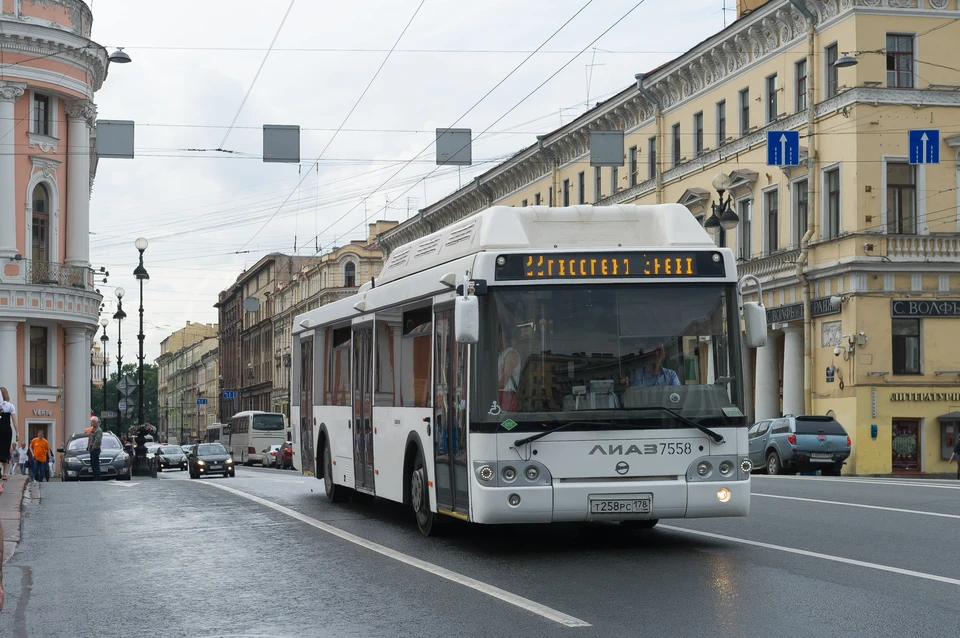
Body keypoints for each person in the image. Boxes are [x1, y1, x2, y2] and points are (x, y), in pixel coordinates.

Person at [0, 387, 17, 480]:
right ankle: (4, 473)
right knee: (6, 450)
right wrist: (17, 433)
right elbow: (14, 421)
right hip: (7, 430)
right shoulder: (10, 406)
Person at [88, 416, 104, 481]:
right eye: (91, 423)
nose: (92, 424)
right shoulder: (94, 430)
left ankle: (97, 478)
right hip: (93, 449)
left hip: (95, 449)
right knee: (93, 464)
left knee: (95, 465)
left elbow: (97, 440)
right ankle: (95, 477)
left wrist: (93, 447)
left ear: (96, 422)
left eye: (93, 422)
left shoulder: (98, 430)